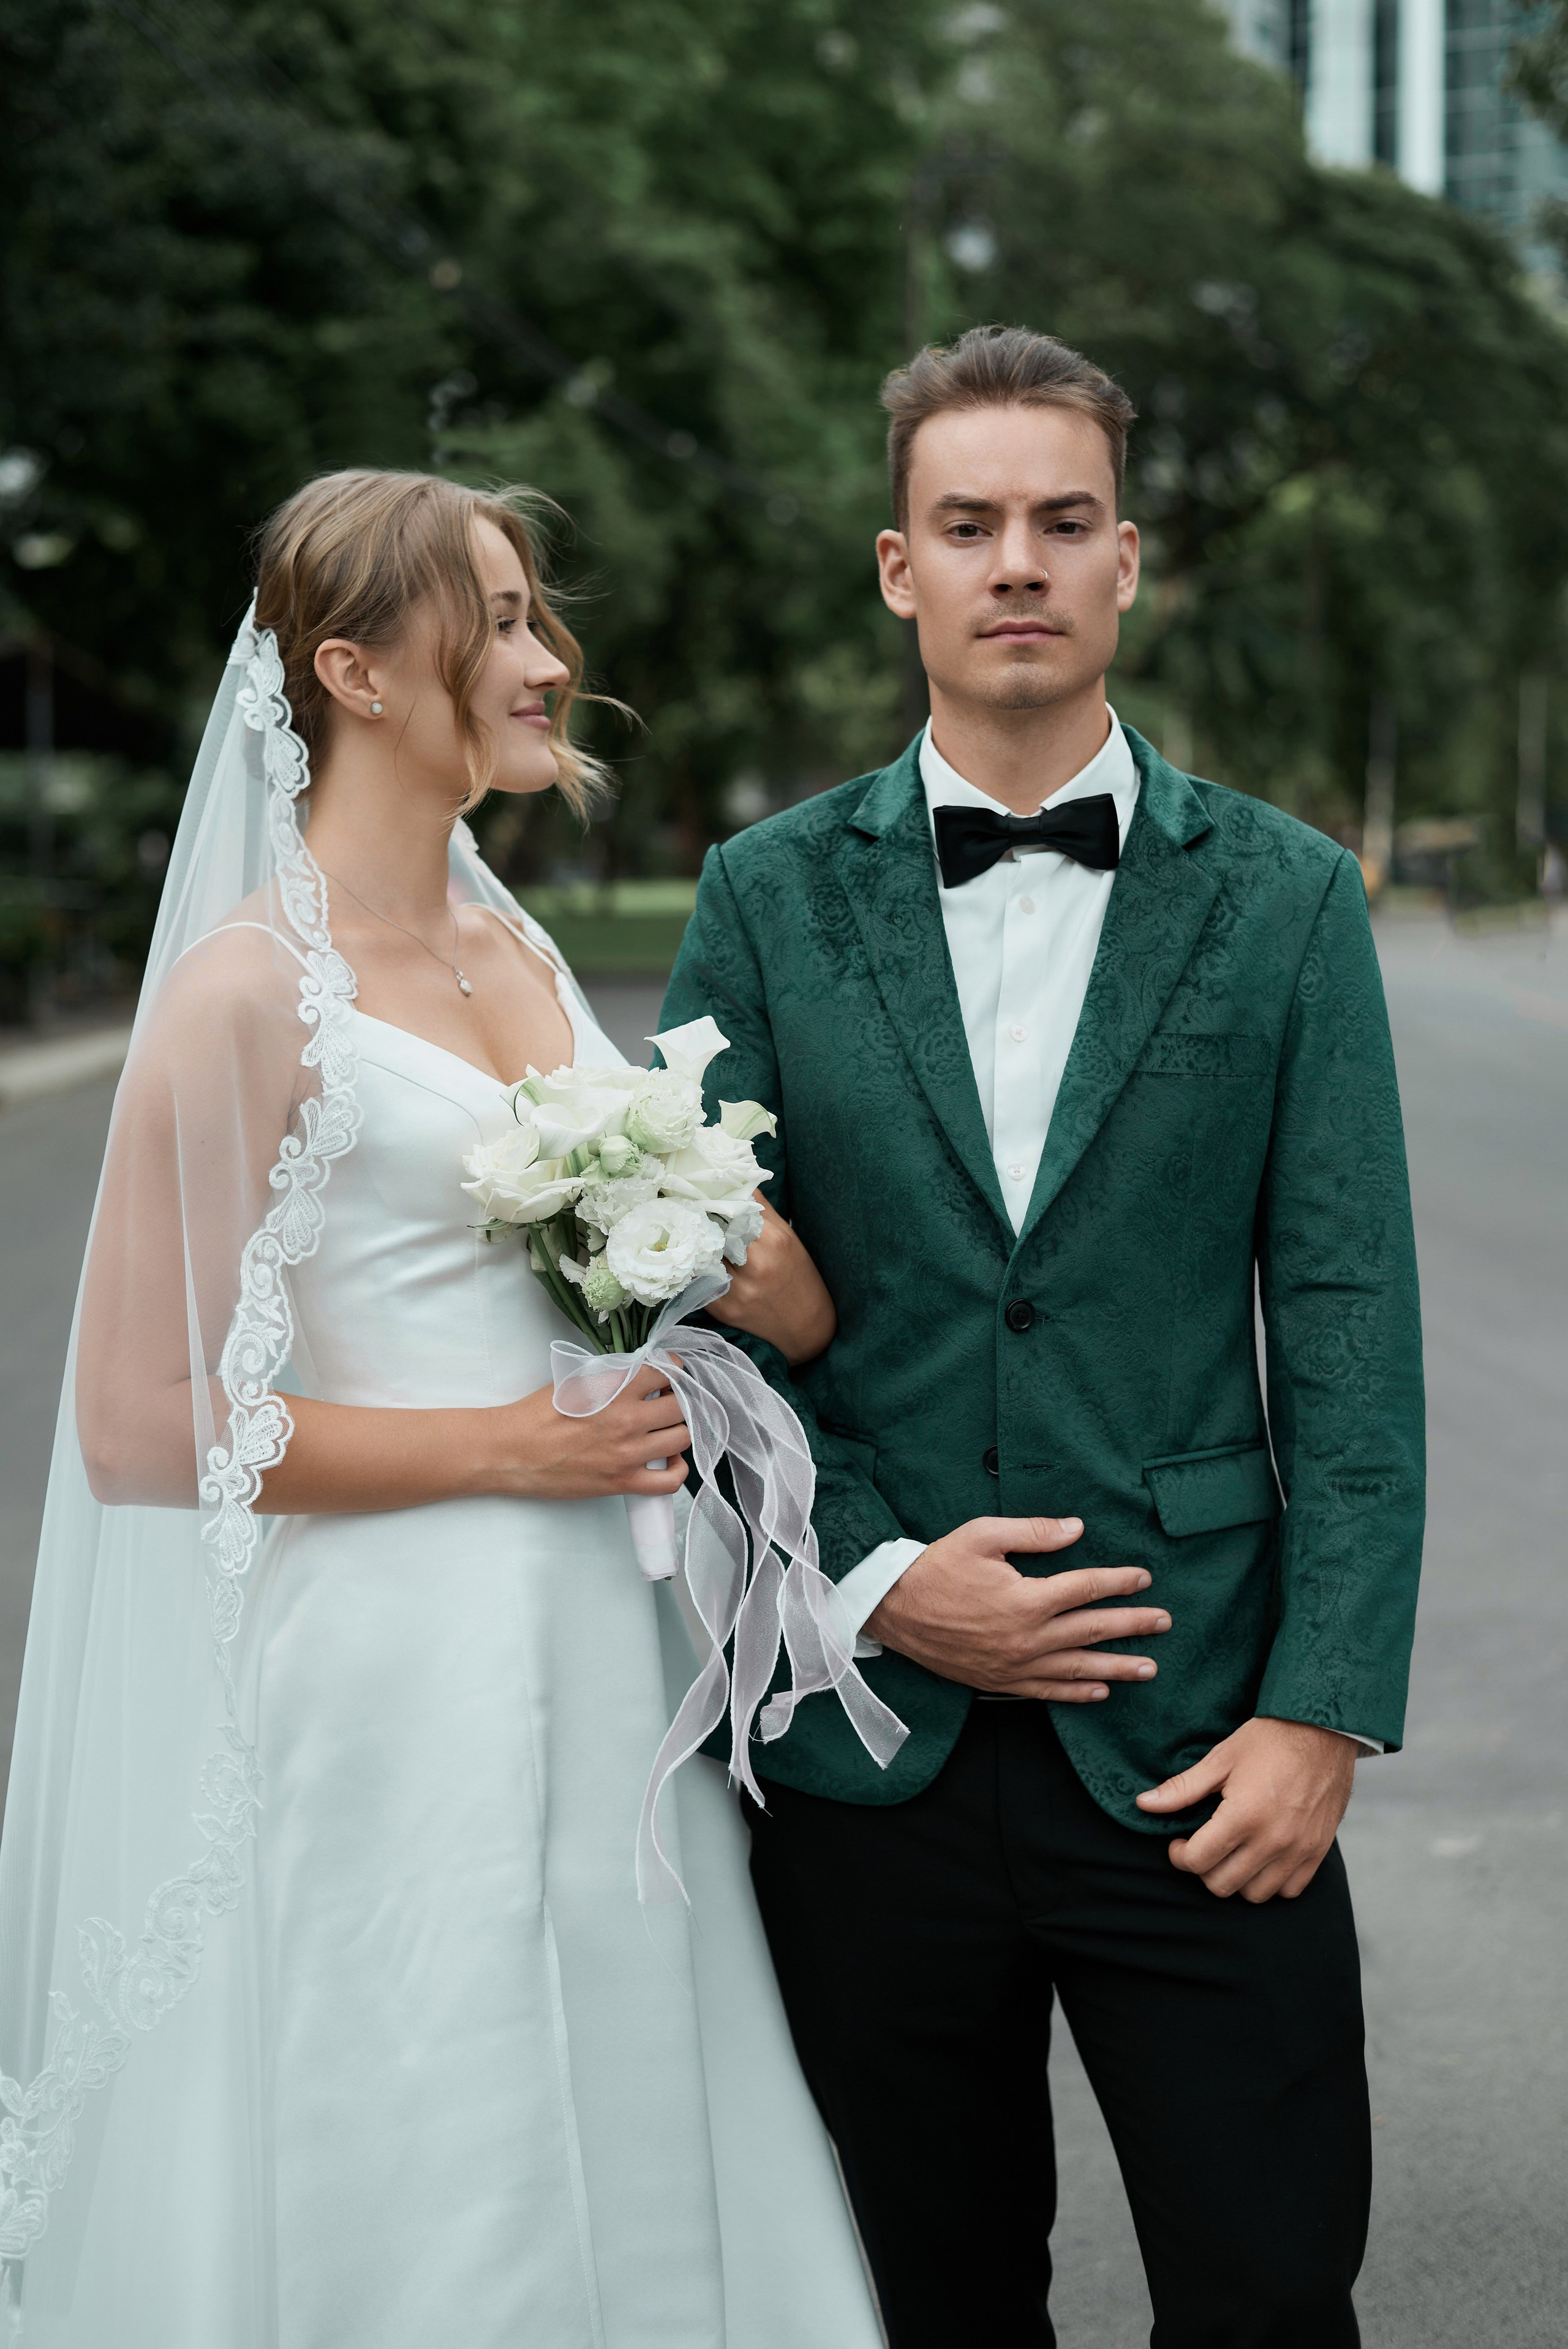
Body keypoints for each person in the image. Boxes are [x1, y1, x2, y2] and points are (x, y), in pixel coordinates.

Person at [0, 469, 888, 2347]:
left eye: (533, 612)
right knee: (443, 2105)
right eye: (491, 620)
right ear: (354, 672)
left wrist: (730, 1263)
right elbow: (137, 1425)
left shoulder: (523, 949)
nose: (544, 657)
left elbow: (674, 1271)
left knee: (635, 2068)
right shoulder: (243, 993)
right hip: (392, 1662)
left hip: (600, 1630)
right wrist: (513, 1447)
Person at [658, 325, 1426, 2348]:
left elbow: (1349, 1324)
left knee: (1271, 2292)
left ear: (1128, 561)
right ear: (898, 567)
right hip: (866, 1753)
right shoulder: (758, 894)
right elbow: (679, 1306)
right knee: (928, 2302)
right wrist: (886, 1584)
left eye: (1061, 522)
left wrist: (1322, 1711)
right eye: (970, 522)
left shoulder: (1287, 897)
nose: (1020, 560)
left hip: (1203, 1743)